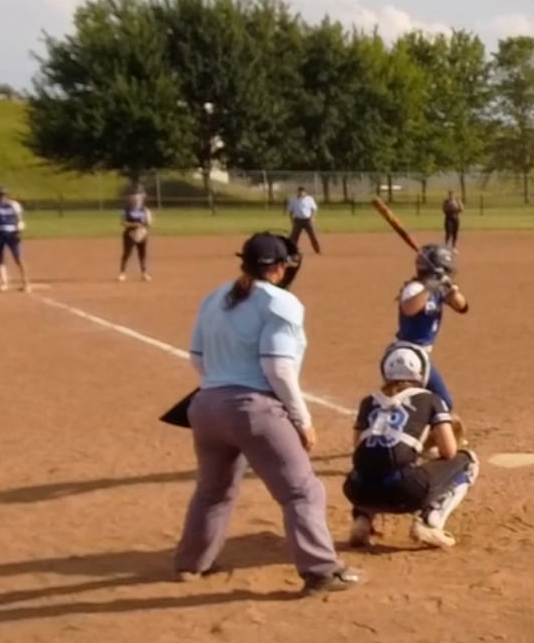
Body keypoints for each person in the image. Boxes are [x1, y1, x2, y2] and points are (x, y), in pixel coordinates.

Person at [176, 233, 361, 595]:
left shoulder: (215, 297)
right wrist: (302, 420)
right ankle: (321, 571)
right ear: (278, 268)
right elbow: (277, 367)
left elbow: (197, 358)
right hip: (254, 410)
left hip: (206, 405)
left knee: (212, 491)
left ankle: (190, 564)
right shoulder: (281, 302)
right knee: (302, 492)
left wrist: (221, 385)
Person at [342, 342, 479, 550]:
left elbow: (358, 448)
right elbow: (449, 451)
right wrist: (425, 452)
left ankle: (362, 519)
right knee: (468, 461)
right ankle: (430, 522)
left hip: (357, 491)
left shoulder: (368, 402)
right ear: (421, 373)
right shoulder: (431, 399)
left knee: (369, 463)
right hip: (404, 492)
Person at [396, 244, 470, 417]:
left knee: (432, 403)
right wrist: (430, 286)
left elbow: (462, 307)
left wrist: (450, 289)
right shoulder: (415, 288)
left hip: (421, 355)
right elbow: (409, 309)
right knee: (442, 402)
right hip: (407, 354)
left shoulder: (439, 289)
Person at [0, 186, 29, 293]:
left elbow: (19, 219)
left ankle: (26, 283)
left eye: (3, 195)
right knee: (0, 259)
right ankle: (4, 283)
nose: (1, 197)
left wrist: (19, 231)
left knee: (18, 258)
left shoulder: (14, 205)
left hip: (12, 233)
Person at [119, 189, 152, 282]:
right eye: (133, 199)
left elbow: (149, 223)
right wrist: (133, 225)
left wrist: (145, 224)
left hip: (142, 234)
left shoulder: (145, 210)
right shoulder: (126, 210)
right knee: (127, 254)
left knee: (142, 254)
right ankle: (122, 273)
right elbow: (123, 223)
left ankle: (144, 273)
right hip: (130, 234)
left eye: (137, 199)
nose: (135, 200)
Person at [286, 187, 322, 254]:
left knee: (312, 235)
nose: (301, 193)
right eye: (299, 191)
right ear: (297, 192)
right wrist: (291, 219)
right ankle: (291, 250)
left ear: (305, 192)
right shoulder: (293, 200)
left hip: (307, 220)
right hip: (298, 220)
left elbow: (313, 209)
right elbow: (290, 211)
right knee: (294, 236)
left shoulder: (309, 199)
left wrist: (312, 217)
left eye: (302, 192)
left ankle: (317, 250)